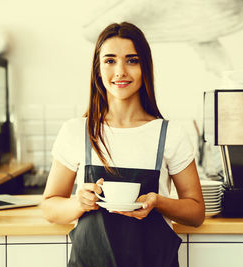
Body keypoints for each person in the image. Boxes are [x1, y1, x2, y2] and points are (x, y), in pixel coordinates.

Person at [41, 22, 205, 267]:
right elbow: (49, 208)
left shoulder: (170, 133)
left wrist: (158, 202)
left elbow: (196, 213)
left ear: (144, 68)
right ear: (98, 69)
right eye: (110, 60)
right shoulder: (76, 131)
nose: (120, 71)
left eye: (132, 60)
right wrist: (79, 203)